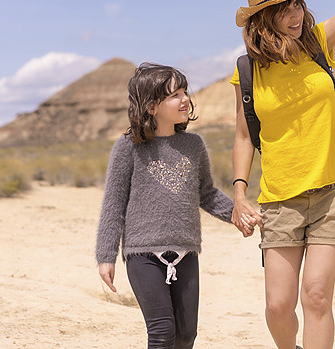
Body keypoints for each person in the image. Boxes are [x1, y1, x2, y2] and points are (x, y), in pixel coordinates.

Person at [230, 0, 335, 349]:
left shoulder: (319, 44)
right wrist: (240, 193)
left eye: (297, 5)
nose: (295, 15)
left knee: (316, 295)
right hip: (279, 198)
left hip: (333, 190)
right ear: (263, 20)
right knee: (278, 306)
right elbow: (244, 136)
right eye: (284, 10)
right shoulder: (247, 71)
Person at [96, 63, 255, 349]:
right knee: (161, 332)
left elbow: (206, 193)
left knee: (185, 336)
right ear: (151, 106)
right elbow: (113, 204)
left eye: (184, 92)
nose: (185, 99)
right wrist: (105, 255)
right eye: (174, 95)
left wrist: (237, 214)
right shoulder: (128, 146)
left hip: (186, 252)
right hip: (142, 254)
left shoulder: (193, 145)